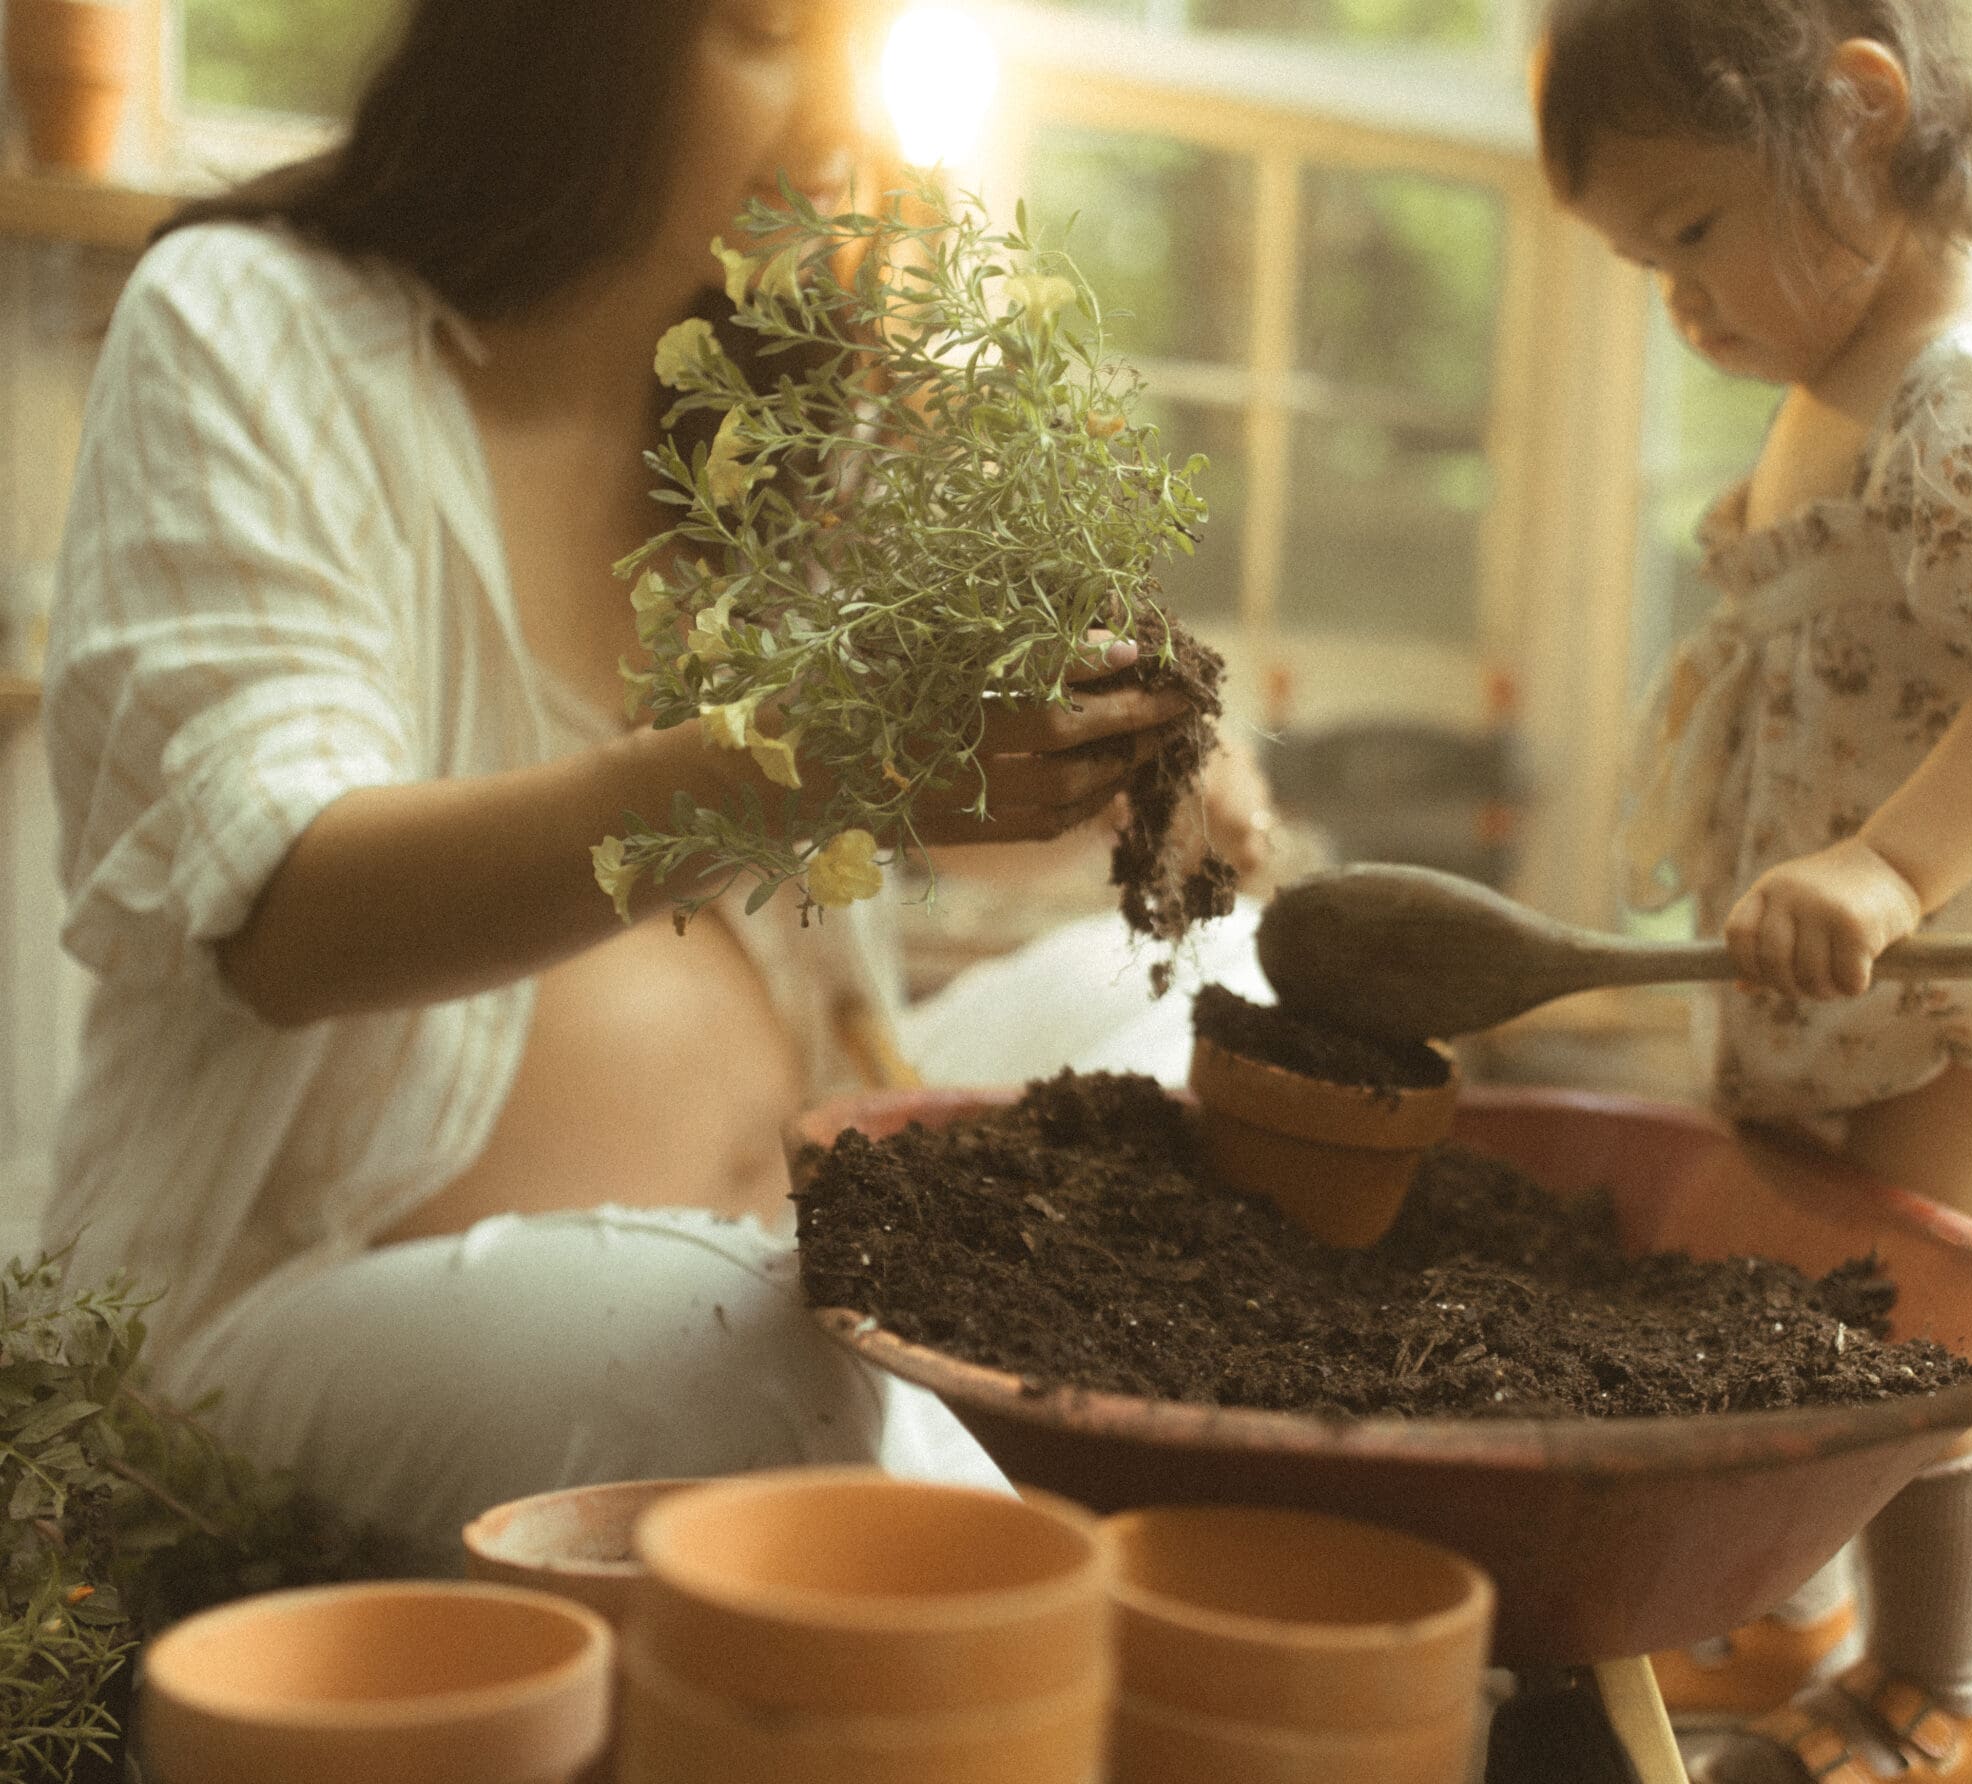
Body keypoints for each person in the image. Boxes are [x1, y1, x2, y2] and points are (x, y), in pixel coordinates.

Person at [39, 0, 1228, 1555]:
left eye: (874, 43)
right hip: (311, 1310)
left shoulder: (790, 427)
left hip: (804, 1200)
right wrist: (814, 757)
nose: (841, 114)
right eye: (764, 31)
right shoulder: (253, 326)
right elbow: (288, 917)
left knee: (1225, 997)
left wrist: (1131, 751)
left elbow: (956, 813)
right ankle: (1085, 1612)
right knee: (728, 1353)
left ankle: (1086, 1558)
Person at [1534, 0, 1972, 1776]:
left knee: (1922, 1328)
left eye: (1688, 229)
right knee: (1804, 1290)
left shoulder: (1962, 378)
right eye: (1639, 261)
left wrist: (1891, 861)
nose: (1675, 300)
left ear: (1855, 117)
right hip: (1863, 970)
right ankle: (1796, 1604)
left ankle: (1951, 1689)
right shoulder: (1841, 383)